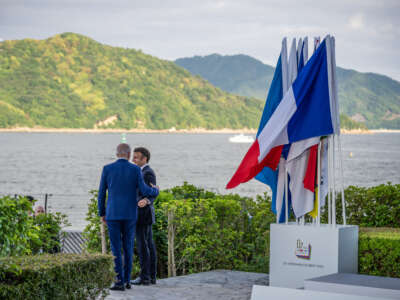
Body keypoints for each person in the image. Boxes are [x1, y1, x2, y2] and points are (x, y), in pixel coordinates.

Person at [98, 143, 159, 291]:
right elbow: (144, 189)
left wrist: (102, 213)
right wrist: (155, 191)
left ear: (117, 153)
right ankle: (126, 282)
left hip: (113, 214)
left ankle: (118, 281)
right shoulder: (135, 169)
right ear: (129, 154)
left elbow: (101, 194)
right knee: (128, 247)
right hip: (131, 214)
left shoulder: (107, 169)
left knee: (116, 248)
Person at [131, 147, 158, 285]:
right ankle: (151, 276)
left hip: (143, 215)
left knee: (143, 246)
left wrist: (147, 200)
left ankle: (145, 277)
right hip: (143, 215)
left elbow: (153, 192)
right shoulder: (141, 172)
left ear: (144, 159)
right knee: (149, 245)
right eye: (133, 157)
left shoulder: (147, 173)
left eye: (136, 157)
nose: (133, 159)